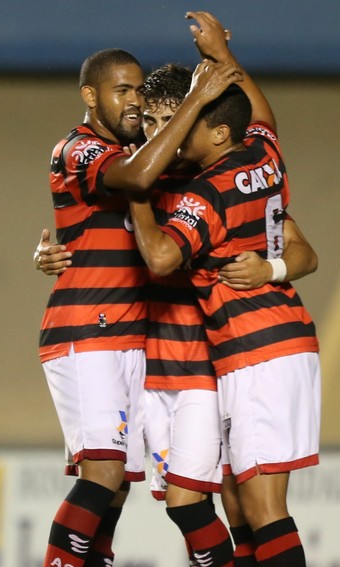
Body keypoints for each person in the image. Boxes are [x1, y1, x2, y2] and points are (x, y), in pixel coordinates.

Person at [36, 63, 317, 567]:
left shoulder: (207, 180)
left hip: (212, 362)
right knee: (143, 491)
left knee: (224, 499)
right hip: (149, 360)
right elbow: (80, 217)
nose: (160, 134)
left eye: (173, 122)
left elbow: (300, 249)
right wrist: (50, 254)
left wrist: (271, 267)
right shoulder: (135, 171)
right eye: (152, 122)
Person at [127, 11, 321, 567]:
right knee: (239, 504)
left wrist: (137, 192)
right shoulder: (264, 155)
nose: (174, 133)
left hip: (258, 349)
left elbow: (163, 257)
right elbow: (262, 114)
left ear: (215, 132)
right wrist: (222, 59)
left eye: (188, 122)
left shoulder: (205, 193)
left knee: (264, 511)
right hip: (268, 343)